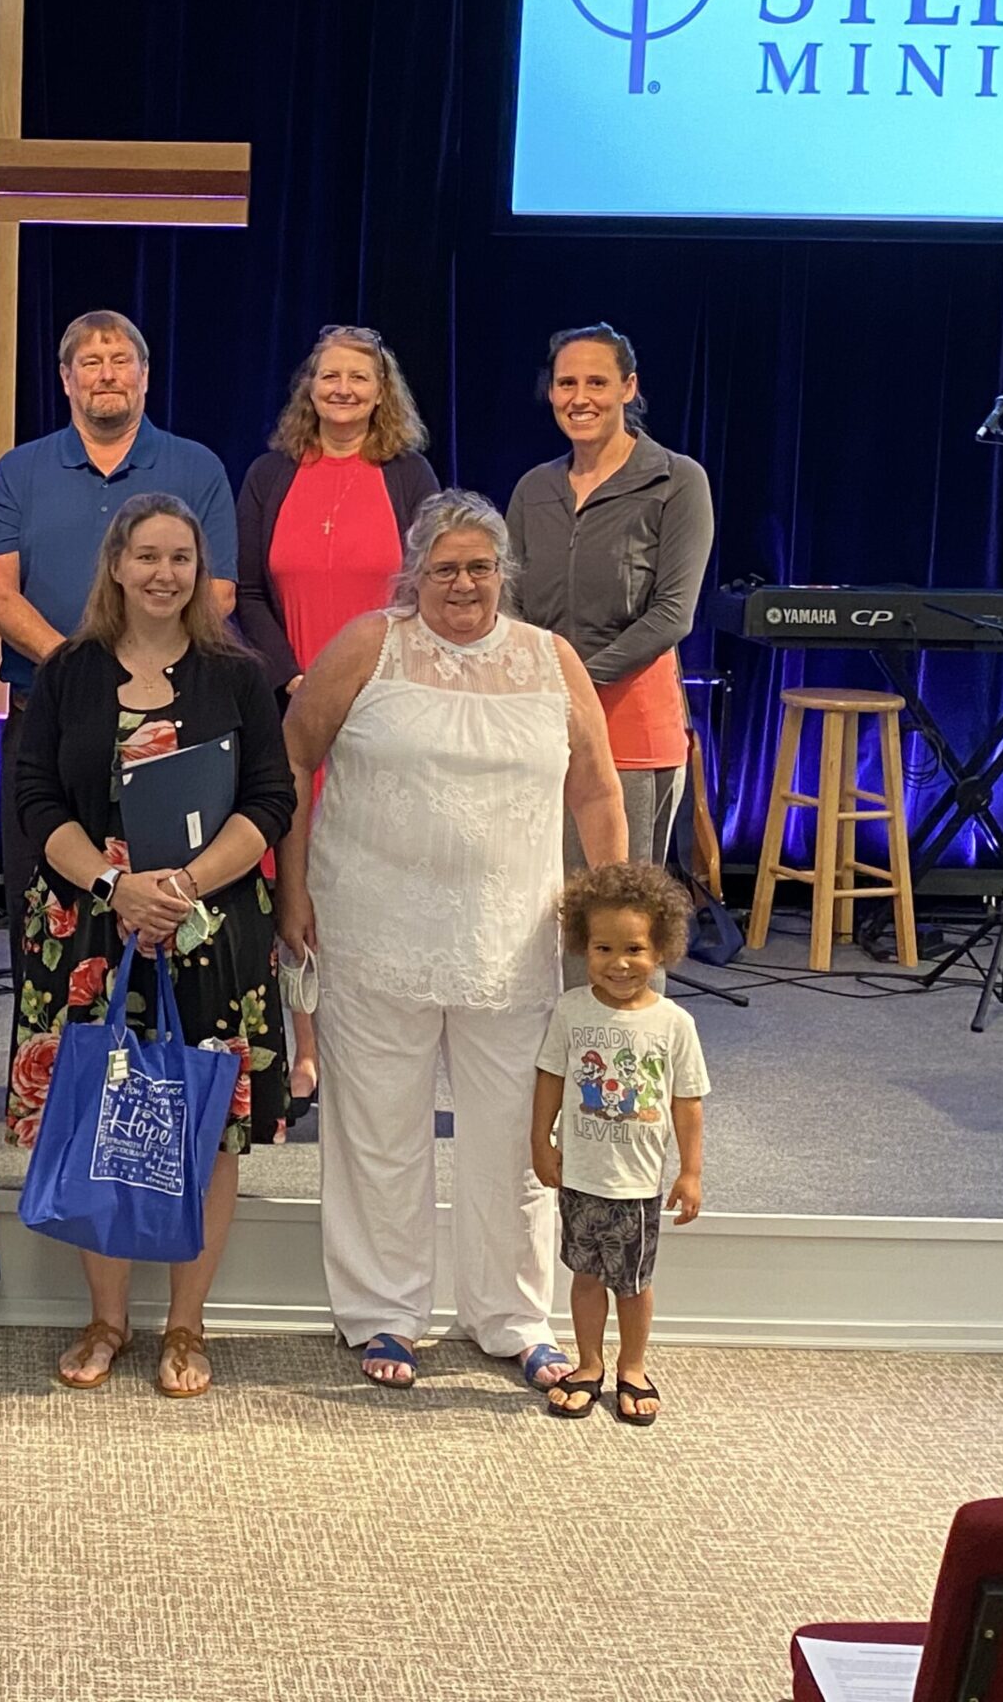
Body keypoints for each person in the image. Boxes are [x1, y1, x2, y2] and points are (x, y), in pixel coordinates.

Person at [275, 490, 627, 1395]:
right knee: (377, 1130)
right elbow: (292, 756)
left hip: (513, 942)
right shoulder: (369, 644)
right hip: (370, 927)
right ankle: (384, 1313)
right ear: (415, 572)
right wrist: (293, 884)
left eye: (478, 567)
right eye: (444, 568)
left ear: (503, 573)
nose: (462, 584)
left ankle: (513, 1317)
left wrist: (608, 914)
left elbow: (596, 792)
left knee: (517, 1138)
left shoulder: (552, 661)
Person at [11, 494, 293, 1400]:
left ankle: (186, 1326)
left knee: (207, 1133)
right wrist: (115, 885)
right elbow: (36, 802)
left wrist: (181, 888)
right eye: (147, 557)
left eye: (181, 557)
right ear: (117, 565)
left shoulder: (239, 675)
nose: (164, 574)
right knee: (99, 1120)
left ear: (199, 569)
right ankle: (106, 1320)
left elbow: (270, 801)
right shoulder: (69, 672)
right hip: (92, 927)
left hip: (210, 929)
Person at [0, 311, 238, 998]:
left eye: (120, 360)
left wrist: (131, 676)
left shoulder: (196, 466)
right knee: (47, 914)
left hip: (173, 729)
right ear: (66, 379)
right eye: (90, 362)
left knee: (171, 916)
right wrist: (84, 675)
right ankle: (53, 1086)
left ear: (145, 377)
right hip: (48, 722)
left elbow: (218, 592)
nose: (106, 374)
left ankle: (165, 1081)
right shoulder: (20, 470)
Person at [233, 325, 442, 1124]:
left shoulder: (409, 474)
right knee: (294, 884)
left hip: (384, 707)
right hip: (291, 707)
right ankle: (306, 1049)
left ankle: (371, 1050)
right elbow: (247, 592)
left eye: (360, 378)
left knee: (373, 883)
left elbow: (428, 587)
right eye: (330, 376)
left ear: (382, 391)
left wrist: (368, 686)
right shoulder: (270, 473)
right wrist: (295, 680)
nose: (344, 390)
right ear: (309, 387)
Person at [505, 323, 714, 874]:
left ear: (628, 388)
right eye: (565, 383)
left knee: (618, 916)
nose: (579, 398)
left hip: (631, 728)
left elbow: (673, 614)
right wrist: (538, 688)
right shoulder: (533, 489)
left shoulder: (677, 480)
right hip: (540, 719)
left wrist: (577, 683)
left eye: (596, 382)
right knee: (538, 906)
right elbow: (509, 601)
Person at [531, 862, 709, 1424]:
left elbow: (687, 1101)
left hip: (638, 1183)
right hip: (581, 1174)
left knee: (633, 1284)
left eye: (634, 948)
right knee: (585, 1276)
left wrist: (690, 1172)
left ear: (661, 950)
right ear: (584, 946)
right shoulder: (571, 1011)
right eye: (604, 948)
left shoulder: (674, 1023)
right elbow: (551, 1078)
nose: (619, 963)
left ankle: (632, 1366)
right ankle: (588, 1363)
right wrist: (541, 1139)